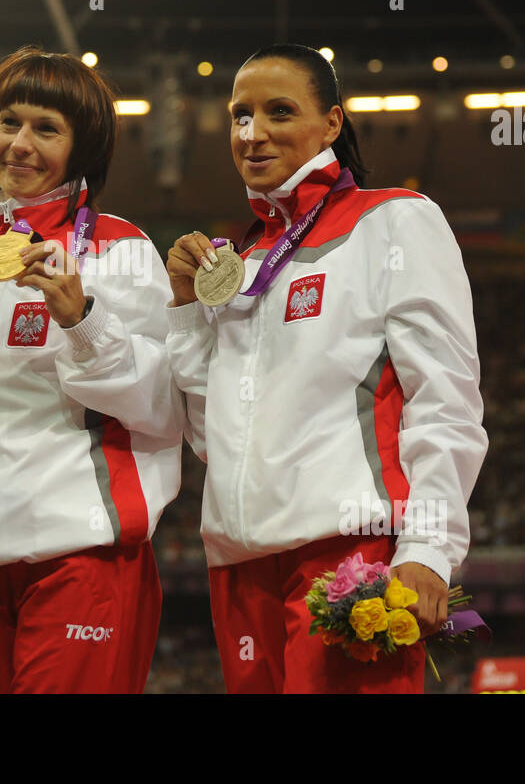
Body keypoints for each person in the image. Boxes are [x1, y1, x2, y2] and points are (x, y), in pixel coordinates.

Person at [164, 44, 487, 693]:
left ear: (333, 123)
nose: (252, 133)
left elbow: (445, 397)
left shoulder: (395, 221)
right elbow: (210, 436)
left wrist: (428, 546)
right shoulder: (239, 267)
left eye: (279, 111)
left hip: (351, 553)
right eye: (239, 115)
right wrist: (184, 312)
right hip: (239, 565)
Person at [0, 46, 183, 693]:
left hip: (80, 557)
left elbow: (163, 404)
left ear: (82, 147)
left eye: (46, 128)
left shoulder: (118, 251)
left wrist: (83, 320)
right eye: (10, 122)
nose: (19, 144)